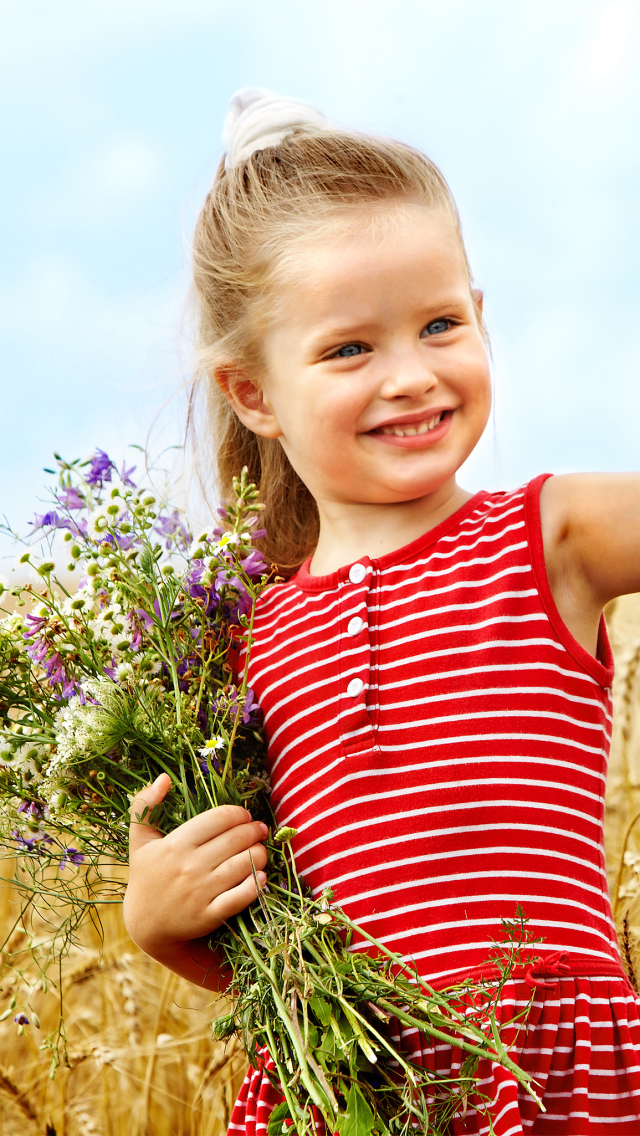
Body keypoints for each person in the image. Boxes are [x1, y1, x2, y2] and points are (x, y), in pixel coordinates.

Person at [123, 88, 640, 1134]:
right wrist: (158, 919)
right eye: (350, 349)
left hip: (548, 1076)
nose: (412, 375)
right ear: (254, 393)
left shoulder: (553, 534)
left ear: (480, 317)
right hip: (349, 1087)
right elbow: (257, 945)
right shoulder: (237, 639)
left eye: (440, 324)